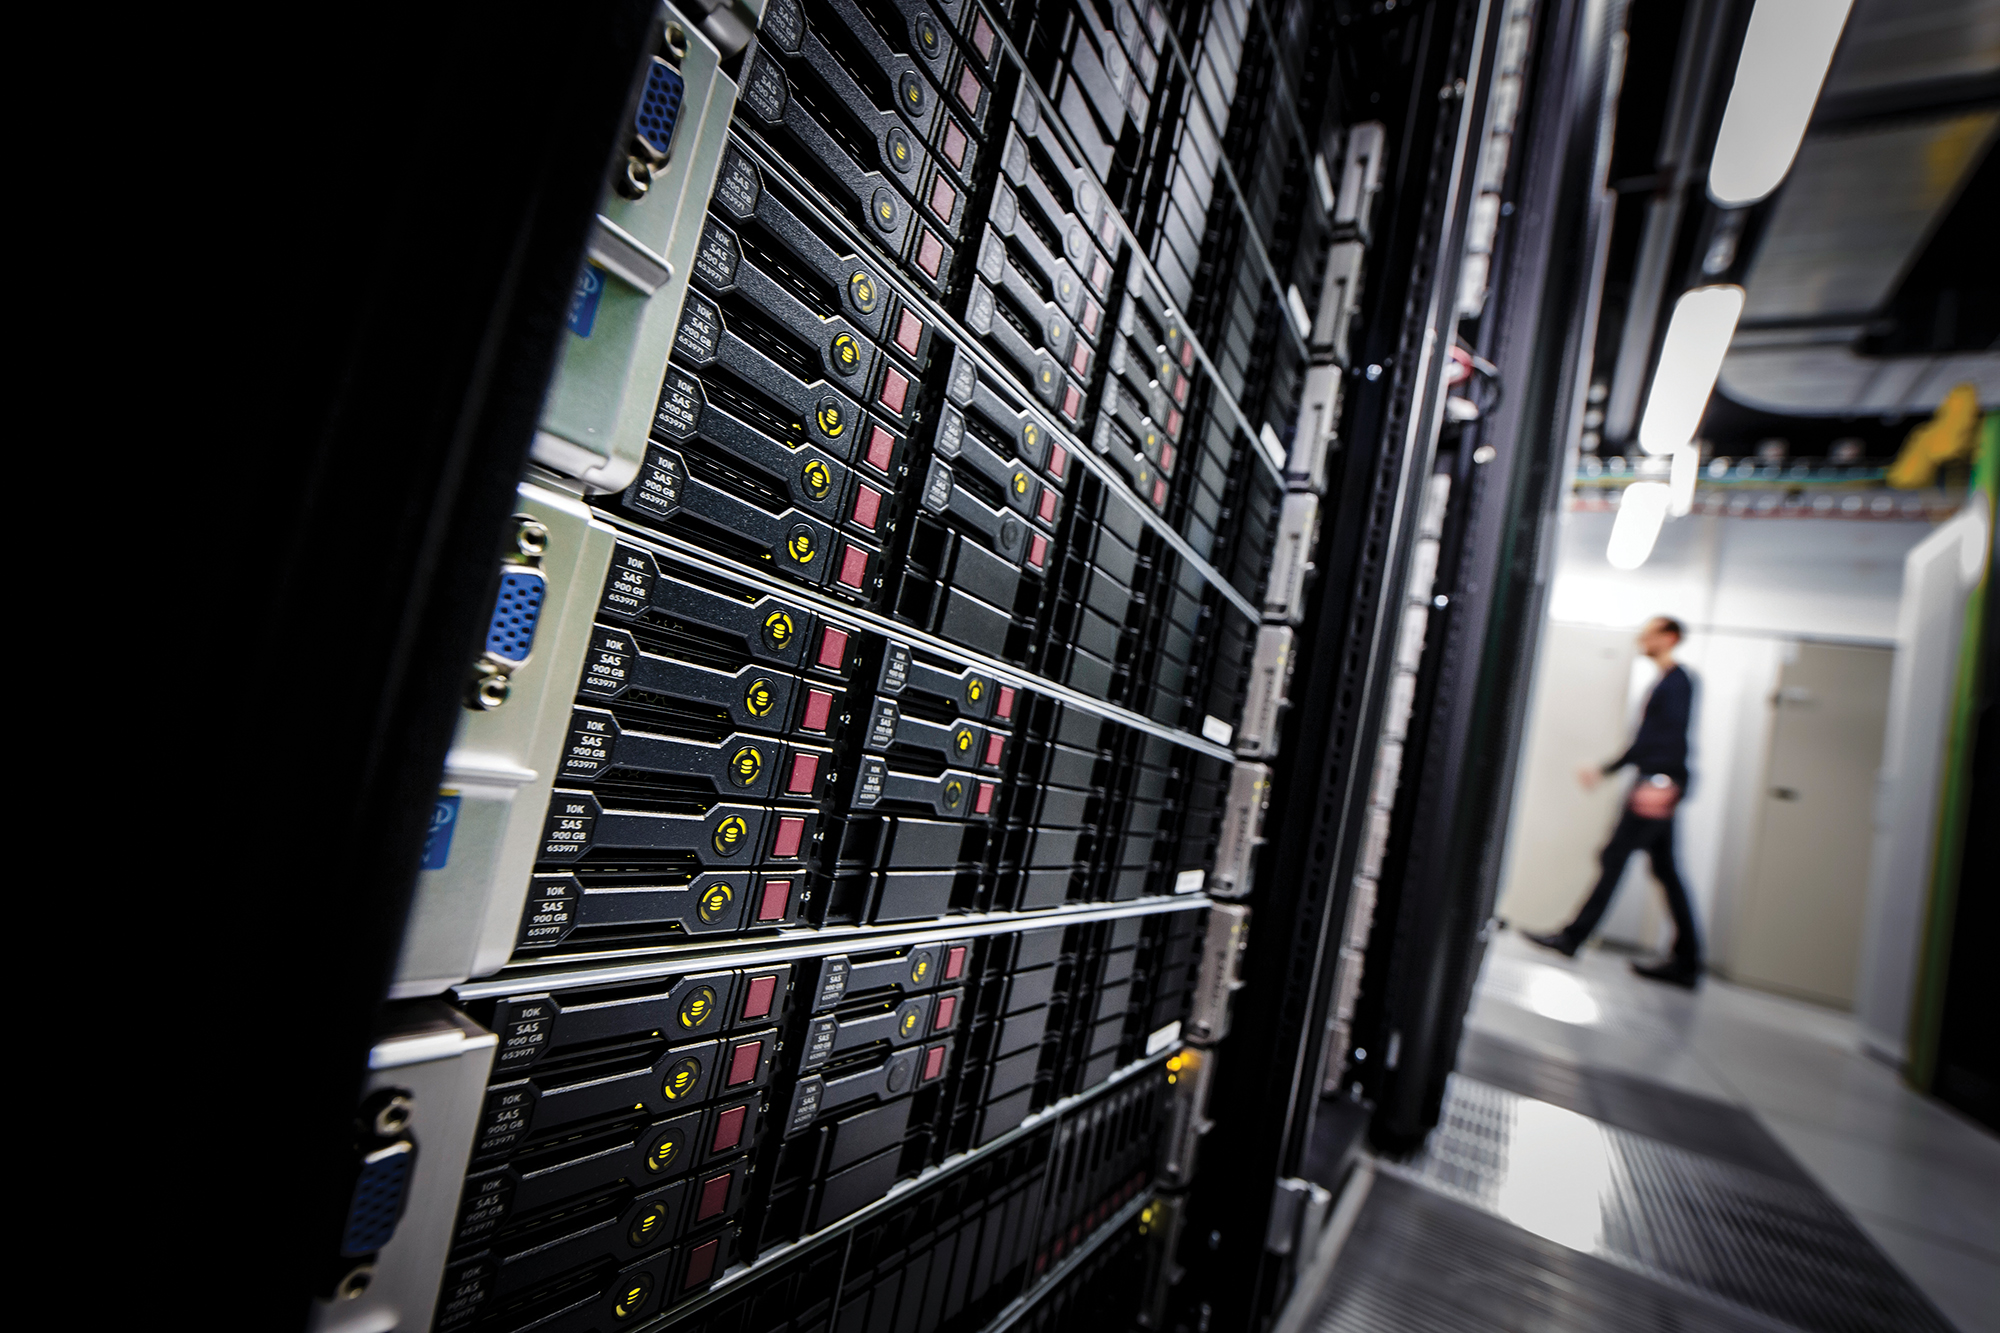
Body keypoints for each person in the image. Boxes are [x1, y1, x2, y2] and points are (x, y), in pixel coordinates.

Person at [1526, 616, 1703, 986]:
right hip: (1659, 780)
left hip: (1656, 782)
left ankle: (1573, 937)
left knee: (1615, 856)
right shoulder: (1669, 681)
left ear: (1668, 638)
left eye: (1651, 632)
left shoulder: (1677, 682)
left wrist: (1656, 781)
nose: (1643, 637)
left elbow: (1665, 740)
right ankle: (1688, 960)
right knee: (1666, 871)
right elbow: (1648, 739)